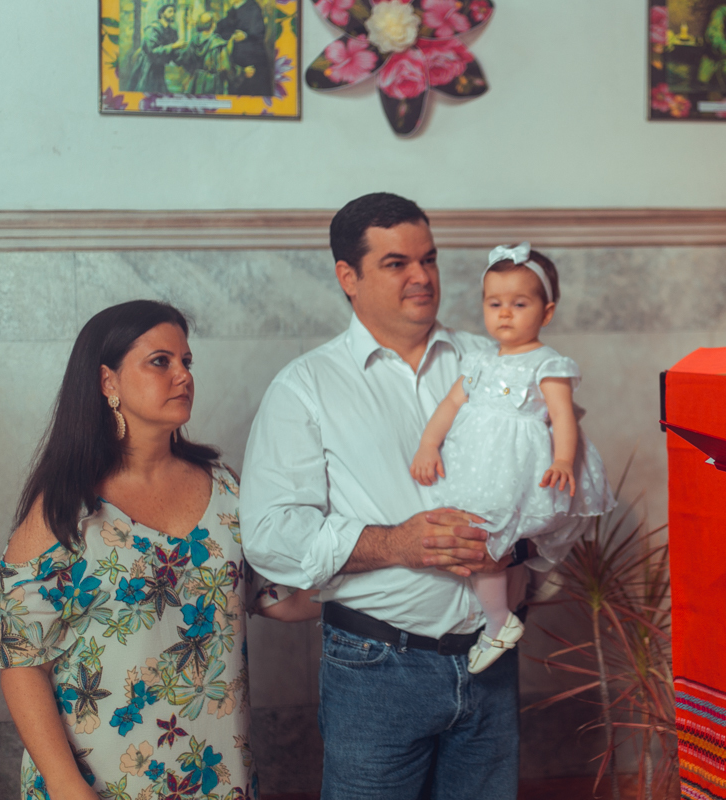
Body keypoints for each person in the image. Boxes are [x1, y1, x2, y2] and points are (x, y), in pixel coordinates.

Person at [240, 193, 522, 799]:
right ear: (349, 277)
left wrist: (516, 550)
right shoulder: (305, 388)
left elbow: (558, 491)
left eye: (429, 259)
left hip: (491, 661)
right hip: (375, 671)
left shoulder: (495, 365)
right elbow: (271, 536)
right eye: (397, 263)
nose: (421, 277)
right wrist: (398, 543)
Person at [0, 300, 317, 800]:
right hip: (99, 782)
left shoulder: (225, 489)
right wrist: (63, 784)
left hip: (217, 775)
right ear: (108, 382)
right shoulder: (65, 507)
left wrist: (385, 572)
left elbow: (277, 596)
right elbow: (19, 656)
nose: (182, 375)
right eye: (160, 361)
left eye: (186, 362)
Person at [410, 243, 616, 674]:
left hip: (514, 471)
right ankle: (502, 616)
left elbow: (562, 418)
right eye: (495, 303)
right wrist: (429, 444)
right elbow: (449, 405)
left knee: (493, 542)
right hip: (475, 467)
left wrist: (562, 460)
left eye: (519, 304)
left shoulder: (548, 364)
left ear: (547, 312)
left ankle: (498, 621)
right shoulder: (480, 360)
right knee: (477, 540)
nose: (504, 314)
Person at [123, 4, 186, 94]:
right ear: (161, 14)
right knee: (145, 91)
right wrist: (173, 46)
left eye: (174, 12)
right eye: (170, 11)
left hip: (159, 68)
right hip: (147, 67)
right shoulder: (152, 29)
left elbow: (174, 53)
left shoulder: (172, 31)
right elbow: (152, 51)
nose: (173, 14)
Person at [215, 0, 272, 96]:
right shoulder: (232, 10)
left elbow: (259, 31)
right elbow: (222, 29)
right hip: (236, 61)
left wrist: (245, 35)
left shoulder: (252, 7)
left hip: (252, 58)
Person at [178, 13, 236, 96]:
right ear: (213, 25)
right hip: (213, 83)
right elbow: (225, 67)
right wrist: (241, 72)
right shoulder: (217, 43)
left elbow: (186, 60)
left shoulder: (193, 41)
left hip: (196, 81)